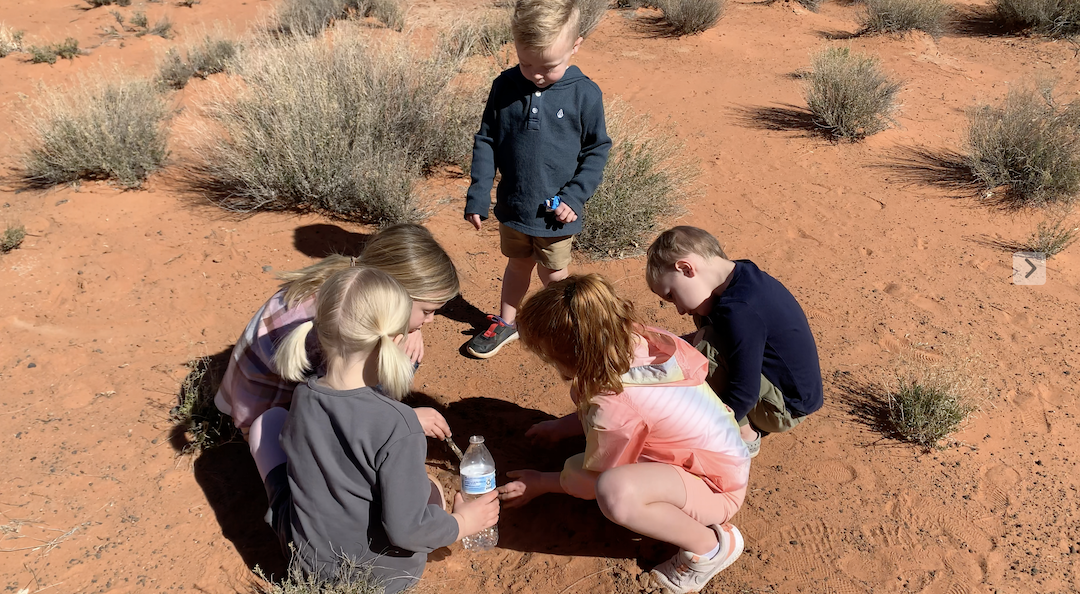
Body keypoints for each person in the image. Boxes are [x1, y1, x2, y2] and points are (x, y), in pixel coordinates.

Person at [248, 267, 500, 593]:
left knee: (267, 424)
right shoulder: (397, 425)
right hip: (379, 575)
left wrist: (406, 420)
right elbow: (407, 530)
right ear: (394, 342)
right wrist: (464, 523)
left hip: (304, 560)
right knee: (432, 486)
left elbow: (348, 428)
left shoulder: (305, 394)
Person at [497, 274, 750, 594]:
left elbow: (596, 475)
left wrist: (542, 481)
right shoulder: (637, 340)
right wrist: (563, 426)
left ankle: (710, 546)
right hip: (722, 455)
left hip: (716, 488)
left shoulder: (614, 405)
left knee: (614, 492)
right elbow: (624, 411)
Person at [463, 0, 612, 358]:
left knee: (554, 275)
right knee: (517, 265)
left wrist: (575, 198)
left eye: (549, 66)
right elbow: (486, 140)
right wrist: (478, 193)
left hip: (555, 212)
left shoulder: (584, 94)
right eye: (526, 63)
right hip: (514, 206)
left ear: (575, 46)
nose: (537, 74)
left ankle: (566, 326)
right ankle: (507, 322)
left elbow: (597, 150)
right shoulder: (505, 86)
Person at [214, 224, 459, 438]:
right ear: (395, 293)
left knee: (398, 351)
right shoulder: (331, 327)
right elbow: (336, 406)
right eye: (427, 311)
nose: (431, 321)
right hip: (270, 420)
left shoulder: (347, 286)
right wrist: (400, 420)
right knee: (393, 362)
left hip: (248, 396)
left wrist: (412, 328)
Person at [645, 226, 824, 458]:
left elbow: (745, 391)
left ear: (686, 268)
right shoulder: (742, 275)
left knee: (704, 350)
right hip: (791, 392)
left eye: (671, 295)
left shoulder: (741, 310)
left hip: (784, 409)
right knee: (700, 319)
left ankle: (744, 437)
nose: (679, 310)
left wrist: (707, 428)